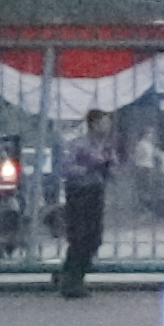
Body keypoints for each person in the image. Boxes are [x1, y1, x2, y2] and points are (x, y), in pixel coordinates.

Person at [49, 110, 119, 299]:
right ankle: (72, 281)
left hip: (96, 192)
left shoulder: (106, 146)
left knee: (94, 237)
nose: (107, 127)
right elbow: (67, 168)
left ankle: (69, 274)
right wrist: (89, 167)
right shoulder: (78, 144)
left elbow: (113, 171)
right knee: (79, 236)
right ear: (93, 124)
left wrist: (108, 167)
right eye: (104, 123)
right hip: (79, 193)